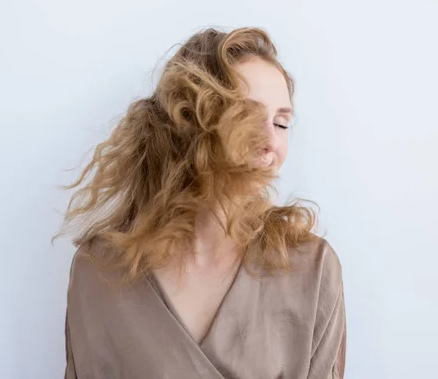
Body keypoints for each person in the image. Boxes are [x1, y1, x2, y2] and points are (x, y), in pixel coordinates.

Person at [56, 26, 346, 378]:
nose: (272, 140)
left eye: (281, 123)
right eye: (249, 116)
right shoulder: (99, 272)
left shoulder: (311, 270)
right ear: (189, 123)